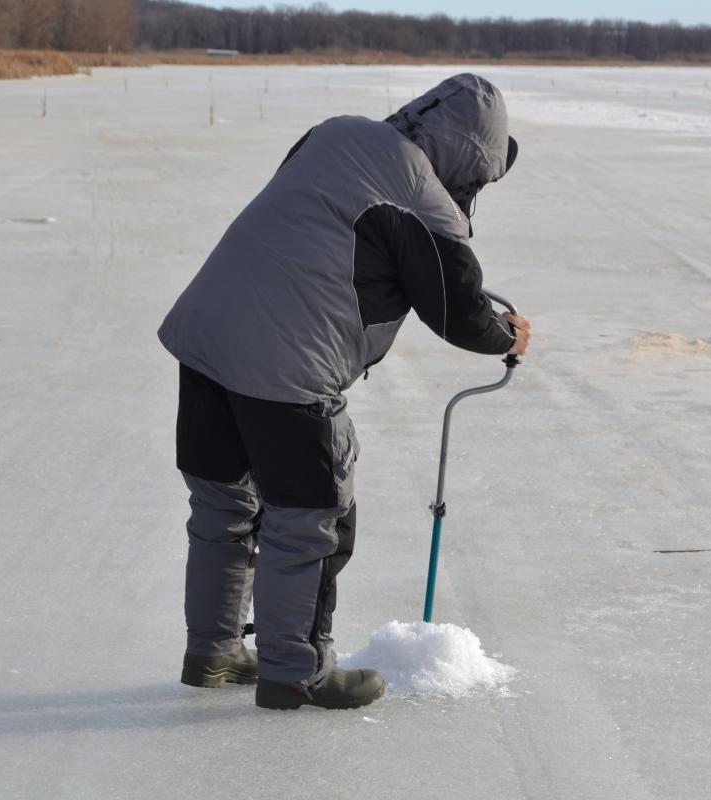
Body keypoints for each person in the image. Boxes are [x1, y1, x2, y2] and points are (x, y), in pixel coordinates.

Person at [157, 73, 532, 711]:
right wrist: (508, 337)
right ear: (472, 162)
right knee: (311, 521)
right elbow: (456, 310)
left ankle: (214, 650)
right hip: (289, 369)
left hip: (208, 337)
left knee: (223, 507)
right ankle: (296, 671)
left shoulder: (332, 135)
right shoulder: (426, 202)